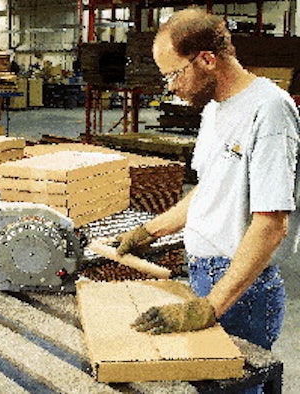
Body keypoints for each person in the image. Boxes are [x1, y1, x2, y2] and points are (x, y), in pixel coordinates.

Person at [116, 7, 300, 352]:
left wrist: (210, 307)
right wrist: (149, 232)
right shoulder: (214, 108)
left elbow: (272, 224)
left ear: (207, 59)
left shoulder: (270, 109)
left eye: (174, 75)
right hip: (203, 273)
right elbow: (210, 189)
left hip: (242, 289)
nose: (172, 87)